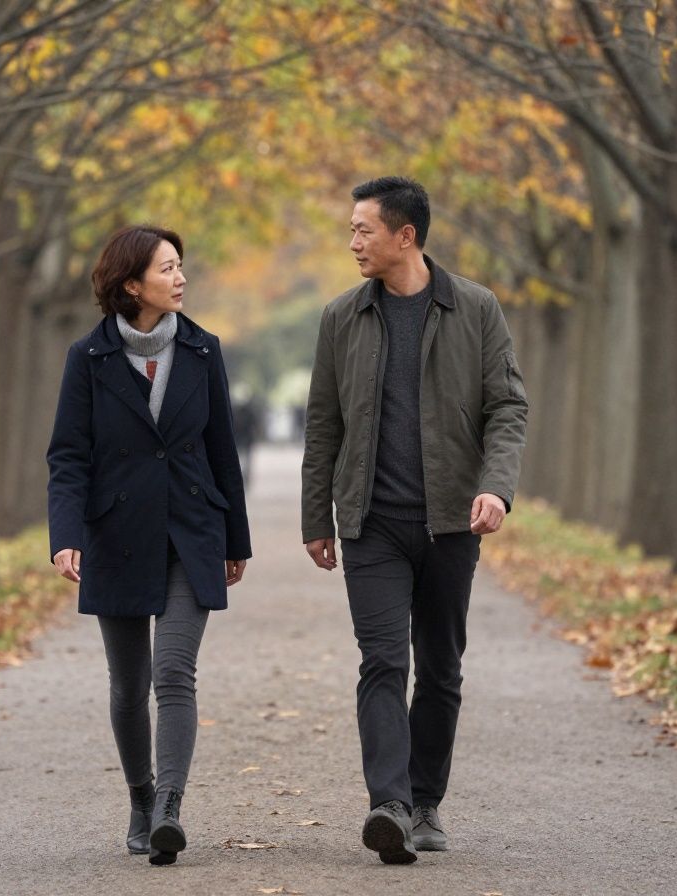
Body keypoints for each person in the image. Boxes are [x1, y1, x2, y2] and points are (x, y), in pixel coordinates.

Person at [301, 177, 527, 864]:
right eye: (350, 229)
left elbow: (508, 409)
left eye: (362, 229)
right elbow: (324, 424)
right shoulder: (342, 317)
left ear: (406, 235)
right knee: (381, 661)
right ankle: (389, 804)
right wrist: (318, 517)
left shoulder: (476, 309)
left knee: (440, 667)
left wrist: (496, 488)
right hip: (371, 524)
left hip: (450, 522)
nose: (352, 242)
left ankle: (426, 802)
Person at [47, 224, 251, 867]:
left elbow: (223, 451)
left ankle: (169, 807)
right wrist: (66, 536)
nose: (181, 277)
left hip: (193, 533)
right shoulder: (89, 358)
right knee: (129, 683)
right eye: (168, 269)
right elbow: (68, 457)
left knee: (174, 672)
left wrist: (236, 540)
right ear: (132, 284)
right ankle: (139, 799)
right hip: (118, 535)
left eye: (181, 266)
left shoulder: (203, 350)